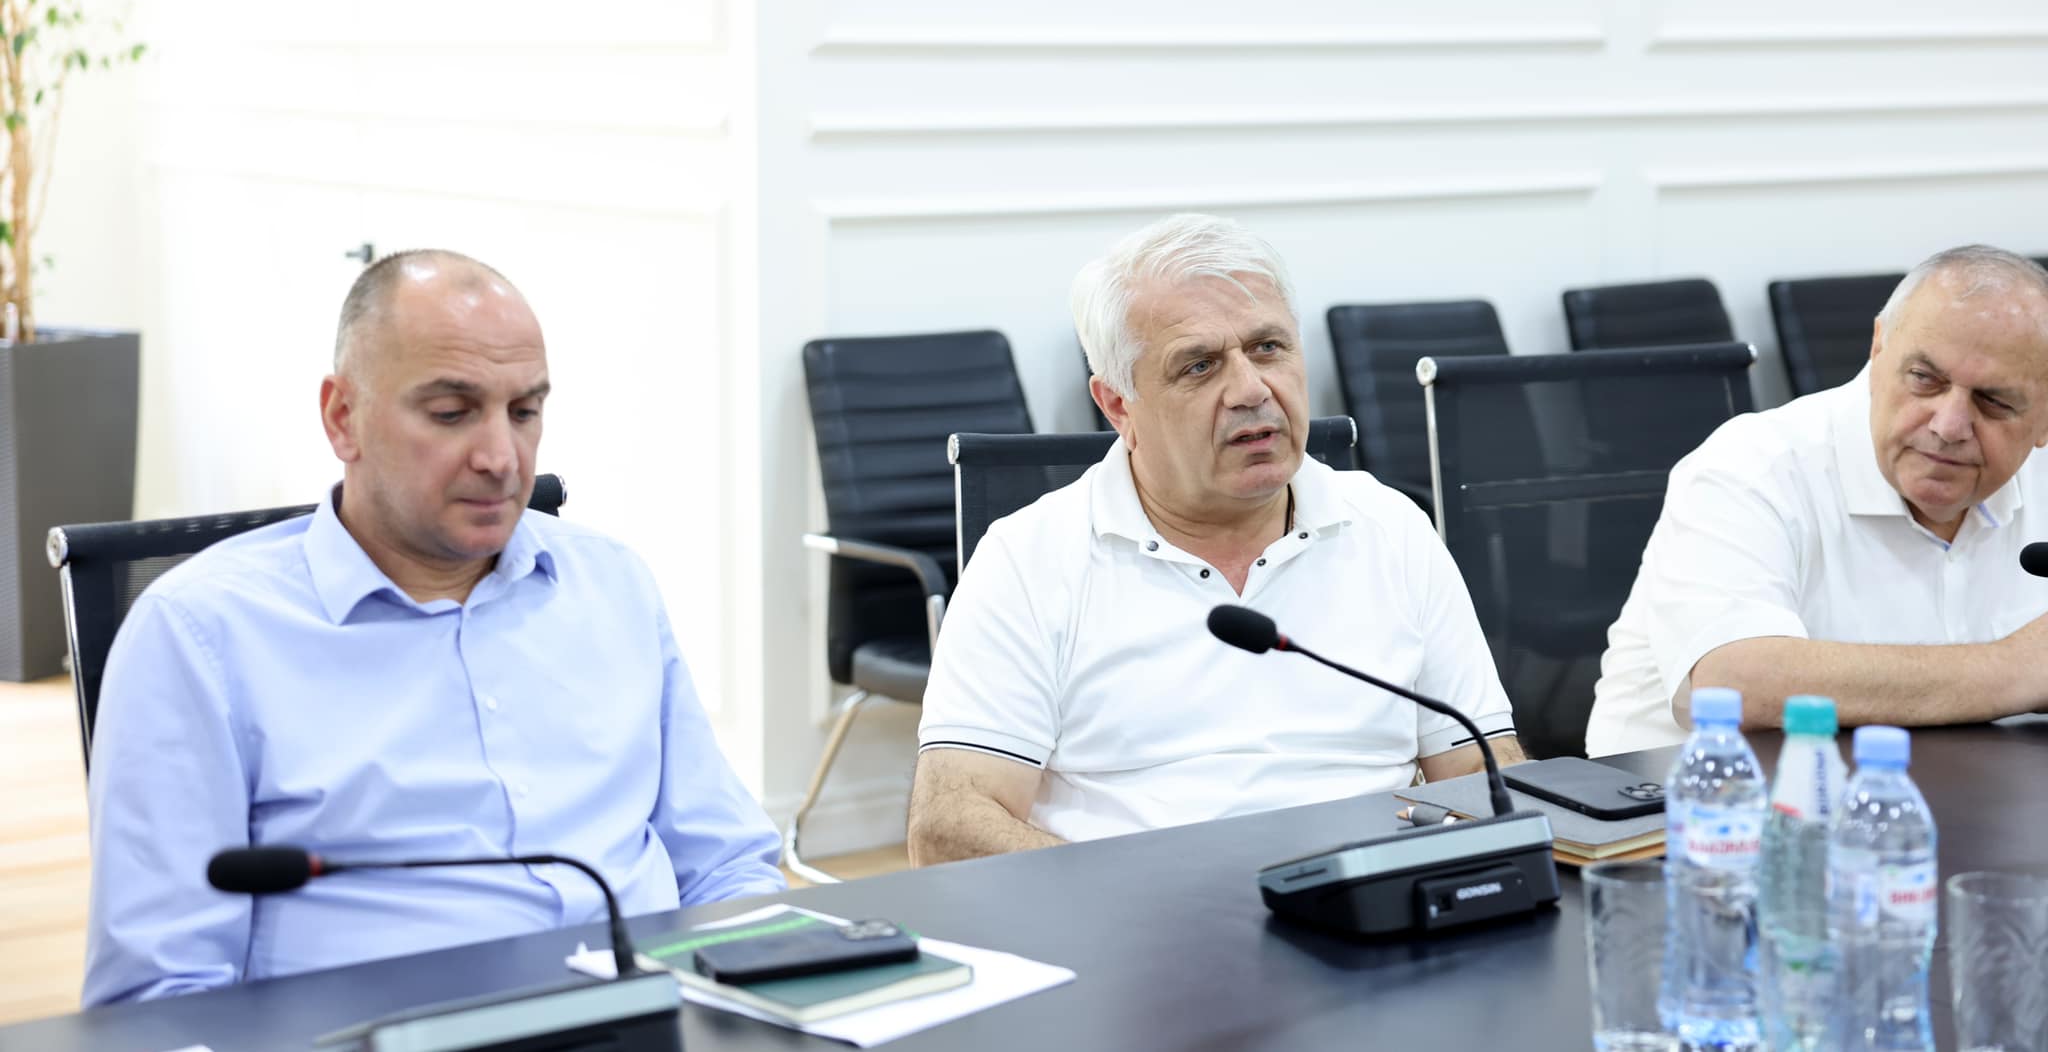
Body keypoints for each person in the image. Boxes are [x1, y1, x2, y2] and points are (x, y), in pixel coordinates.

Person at [83, 251, 783, 1004]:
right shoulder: (200, 635)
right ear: (342, 418)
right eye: (452, 414)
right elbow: (162, 991)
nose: (501, 458)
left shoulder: (611, 584)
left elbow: (726, 864)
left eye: (524, 412)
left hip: (656, 1013)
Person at [908, 214, 1523, 862]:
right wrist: (1133, 903)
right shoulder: (1028, 559)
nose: (1251, 390)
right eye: (1199, 366)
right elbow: (950, 828)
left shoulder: (1390, 527)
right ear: (1118, 405)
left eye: (1268, 347)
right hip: (1135, 911)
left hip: (1369, 900)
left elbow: (1481, 768)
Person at [1588, 244, 2048, 754]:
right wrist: (2018, 668)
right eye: (1925, 380)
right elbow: (1737, 683)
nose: (1949, 425)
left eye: (1994, 401)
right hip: (1686, 795)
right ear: (1878, 348)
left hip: (1953, 786)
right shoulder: (1750, 466)